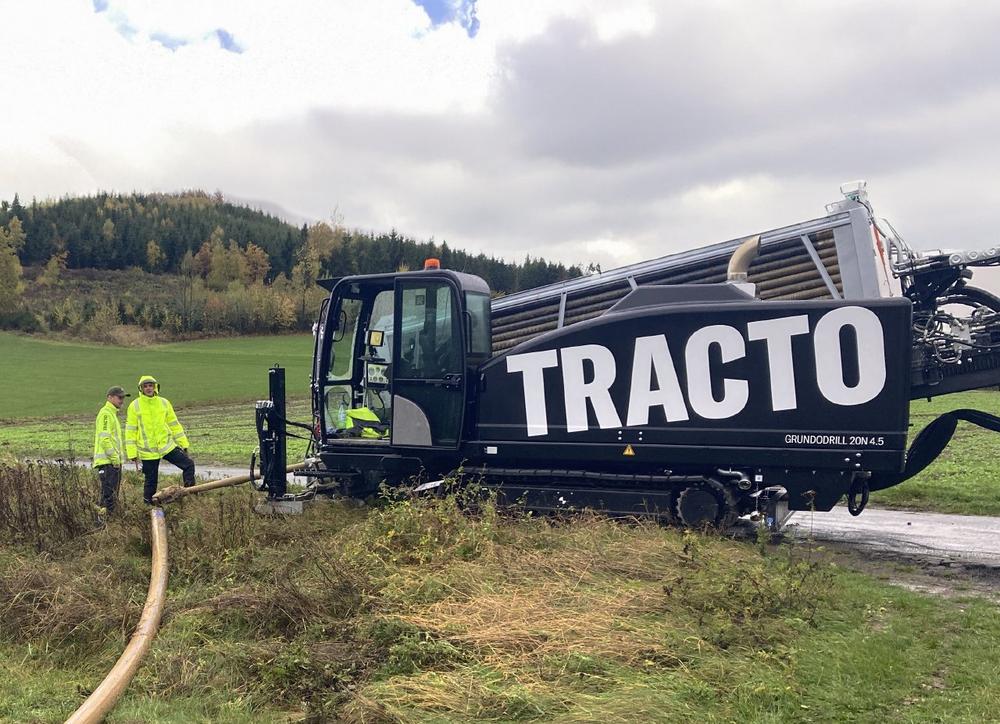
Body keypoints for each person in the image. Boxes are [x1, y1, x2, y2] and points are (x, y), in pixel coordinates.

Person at [125, 374, 195, 504]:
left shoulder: (164, 402)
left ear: (155, 387)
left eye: (150, 385)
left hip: (166, 446)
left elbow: (174, 424)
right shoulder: (134, 406)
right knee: (151, 481)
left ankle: (190, 495)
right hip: (148, 451)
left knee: (189, 465)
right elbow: (130, 430)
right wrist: (132, 453)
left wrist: (184, 443)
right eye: (145, 386)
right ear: (141, 389)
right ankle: (148, 506)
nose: (148, 388)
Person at [93, 385, 129, 515]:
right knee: (108, 498)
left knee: (111, 497)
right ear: (110, 397)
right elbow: (104, 439)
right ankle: (104, 522)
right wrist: (114, 459)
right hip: (108, 463)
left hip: (112, 463)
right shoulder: (106, 414)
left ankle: (108, 521)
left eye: (123, 398)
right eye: (119, 397)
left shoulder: (112, 414)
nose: (122, 401)